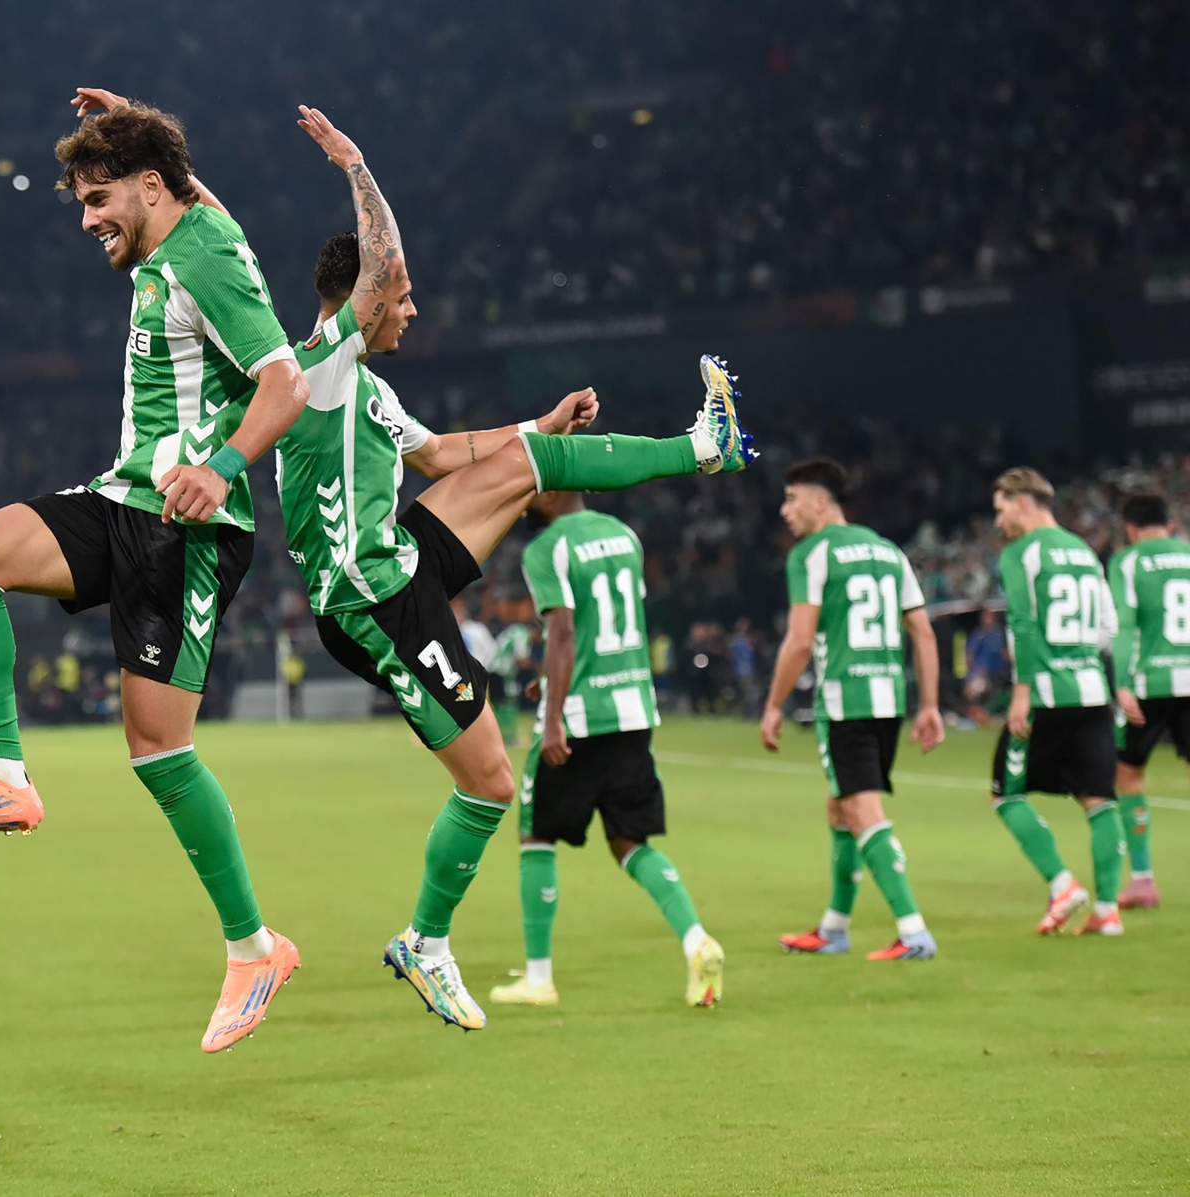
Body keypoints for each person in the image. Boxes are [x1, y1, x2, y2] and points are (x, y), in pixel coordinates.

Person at [277, 107, 755, 1030]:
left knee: (524, 465)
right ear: (365, 300)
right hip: (372, 601)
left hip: (400, 564)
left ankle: (704, 446)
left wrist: (538, 422)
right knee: (494, 783)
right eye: (405, 298)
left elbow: (445, 454)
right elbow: (382, 261)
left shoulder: (367, 391)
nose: (413, 311)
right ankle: (426, 939)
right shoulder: (323, 368)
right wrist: (357, 163)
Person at [0, 91, 309, 1053]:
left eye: (98, 198)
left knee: (158, 750)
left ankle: (256, 947)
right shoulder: (192, 227)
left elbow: (283, 379)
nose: (87, 220)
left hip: (186, 524)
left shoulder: (202, 257)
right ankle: (4, 776)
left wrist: (223, 468)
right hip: (124, 495)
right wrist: (137, 121)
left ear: (150, 188)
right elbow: (186, 185)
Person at [489, 493, 725, 1010]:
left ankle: (538, 977)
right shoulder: (625, 536)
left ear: (553, 491)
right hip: (633, 709)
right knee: (629, 840)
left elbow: (565, 631)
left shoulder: (546, 547)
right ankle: (696, 940)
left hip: (578, 717)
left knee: (536, 834)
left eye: (533, 484)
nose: (526, 493)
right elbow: (613, 627)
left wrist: (551, 718)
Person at [761, 459, 943, 961]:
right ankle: (834, 928)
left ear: (821, 502)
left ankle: (913, 933)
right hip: (889, 700)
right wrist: (929, 705)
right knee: (840, 808)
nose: (785, 510)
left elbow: (799, 642)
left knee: (863, 812)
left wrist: (774, 706)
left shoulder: (811, 555)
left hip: (846, 702)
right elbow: (923, 632)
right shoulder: (889, 551)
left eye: (793, 498)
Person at [989, 468, 1126, 936]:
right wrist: (1079, 657)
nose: (999, 520)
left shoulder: (1021, 554)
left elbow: (1023, 626)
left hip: (1046, 694)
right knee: (1100, 800)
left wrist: (1021, 692)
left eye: (1002, 508)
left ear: (1024, 501)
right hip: (1092, 691)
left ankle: (1063, 884)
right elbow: (1109, 626)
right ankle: (1107, 911)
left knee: (1005, 793)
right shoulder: (1085, 551)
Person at [1107, 492, 1190, 910]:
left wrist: (1121, 683)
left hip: (1149, 683)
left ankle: (1142, 881)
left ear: (1130, 528)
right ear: (1168, 522)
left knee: (1128, 776)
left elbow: (1125, 625)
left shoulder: (1128, 561)